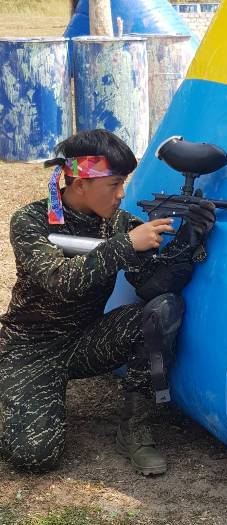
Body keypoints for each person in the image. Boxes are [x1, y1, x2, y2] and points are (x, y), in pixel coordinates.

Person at [0, 129, 215, 475]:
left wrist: (189, 241)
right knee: (34, 456)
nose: (122, 193)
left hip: (84, 341)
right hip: (30, 348)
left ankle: (135, 428)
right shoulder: (30, 221)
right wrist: (126, 245)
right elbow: (60, 281)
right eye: (114, 184)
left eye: (124, 182)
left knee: (161, 311)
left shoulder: (117, 224)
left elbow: (153, 286)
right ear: (81, 183)